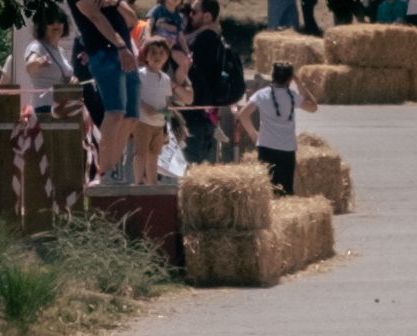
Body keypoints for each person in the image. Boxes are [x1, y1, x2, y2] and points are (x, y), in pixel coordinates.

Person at [75, 0, 144, 185]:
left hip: (125, 53)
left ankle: (114, 170)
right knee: (115, 112)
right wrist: (121, 46)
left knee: (131, 116)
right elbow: (94, 15)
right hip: (104, 53)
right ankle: (105, 171)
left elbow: (132, 19)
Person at [238, 63, 316, 192]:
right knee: (285, 189)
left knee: (268, 188)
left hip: (266, 146)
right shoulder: (292, 96)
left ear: (272, 77)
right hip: (287, 148)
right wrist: (299, 83)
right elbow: (313, 107)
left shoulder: (261, 94)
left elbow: (243, 115)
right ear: (290, 79)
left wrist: (253, 134)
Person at [184, 0, 229, 162]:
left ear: (207, 16)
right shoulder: (216, 37)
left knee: (190, 168)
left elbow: (198, 72)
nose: (190, 16)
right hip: (208, 114)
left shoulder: (205, 39)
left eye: (194, 12)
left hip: (195, 113)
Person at [131, 37, 180, 184]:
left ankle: (152, 183)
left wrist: (166, 120)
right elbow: (134, 96)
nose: (157, 57)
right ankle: (138, 181)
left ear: (166, 56)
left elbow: (166, 102)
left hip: (159, 124)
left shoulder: (165, 79)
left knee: (154, 155)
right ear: (146, 56)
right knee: (140, 153)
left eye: (161, 53)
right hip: (142, 122)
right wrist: (145, 107)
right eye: (153, 53)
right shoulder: (140, 75)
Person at [20, 10, 78, 115]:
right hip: (45, 108)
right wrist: (38, 62)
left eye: (60, 21)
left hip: (62, 106)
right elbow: (29, 67)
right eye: (51, 21)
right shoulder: (37, 46)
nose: (56, 24)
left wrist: (73, 80)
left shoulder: (61, 52)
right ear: (43, 26)